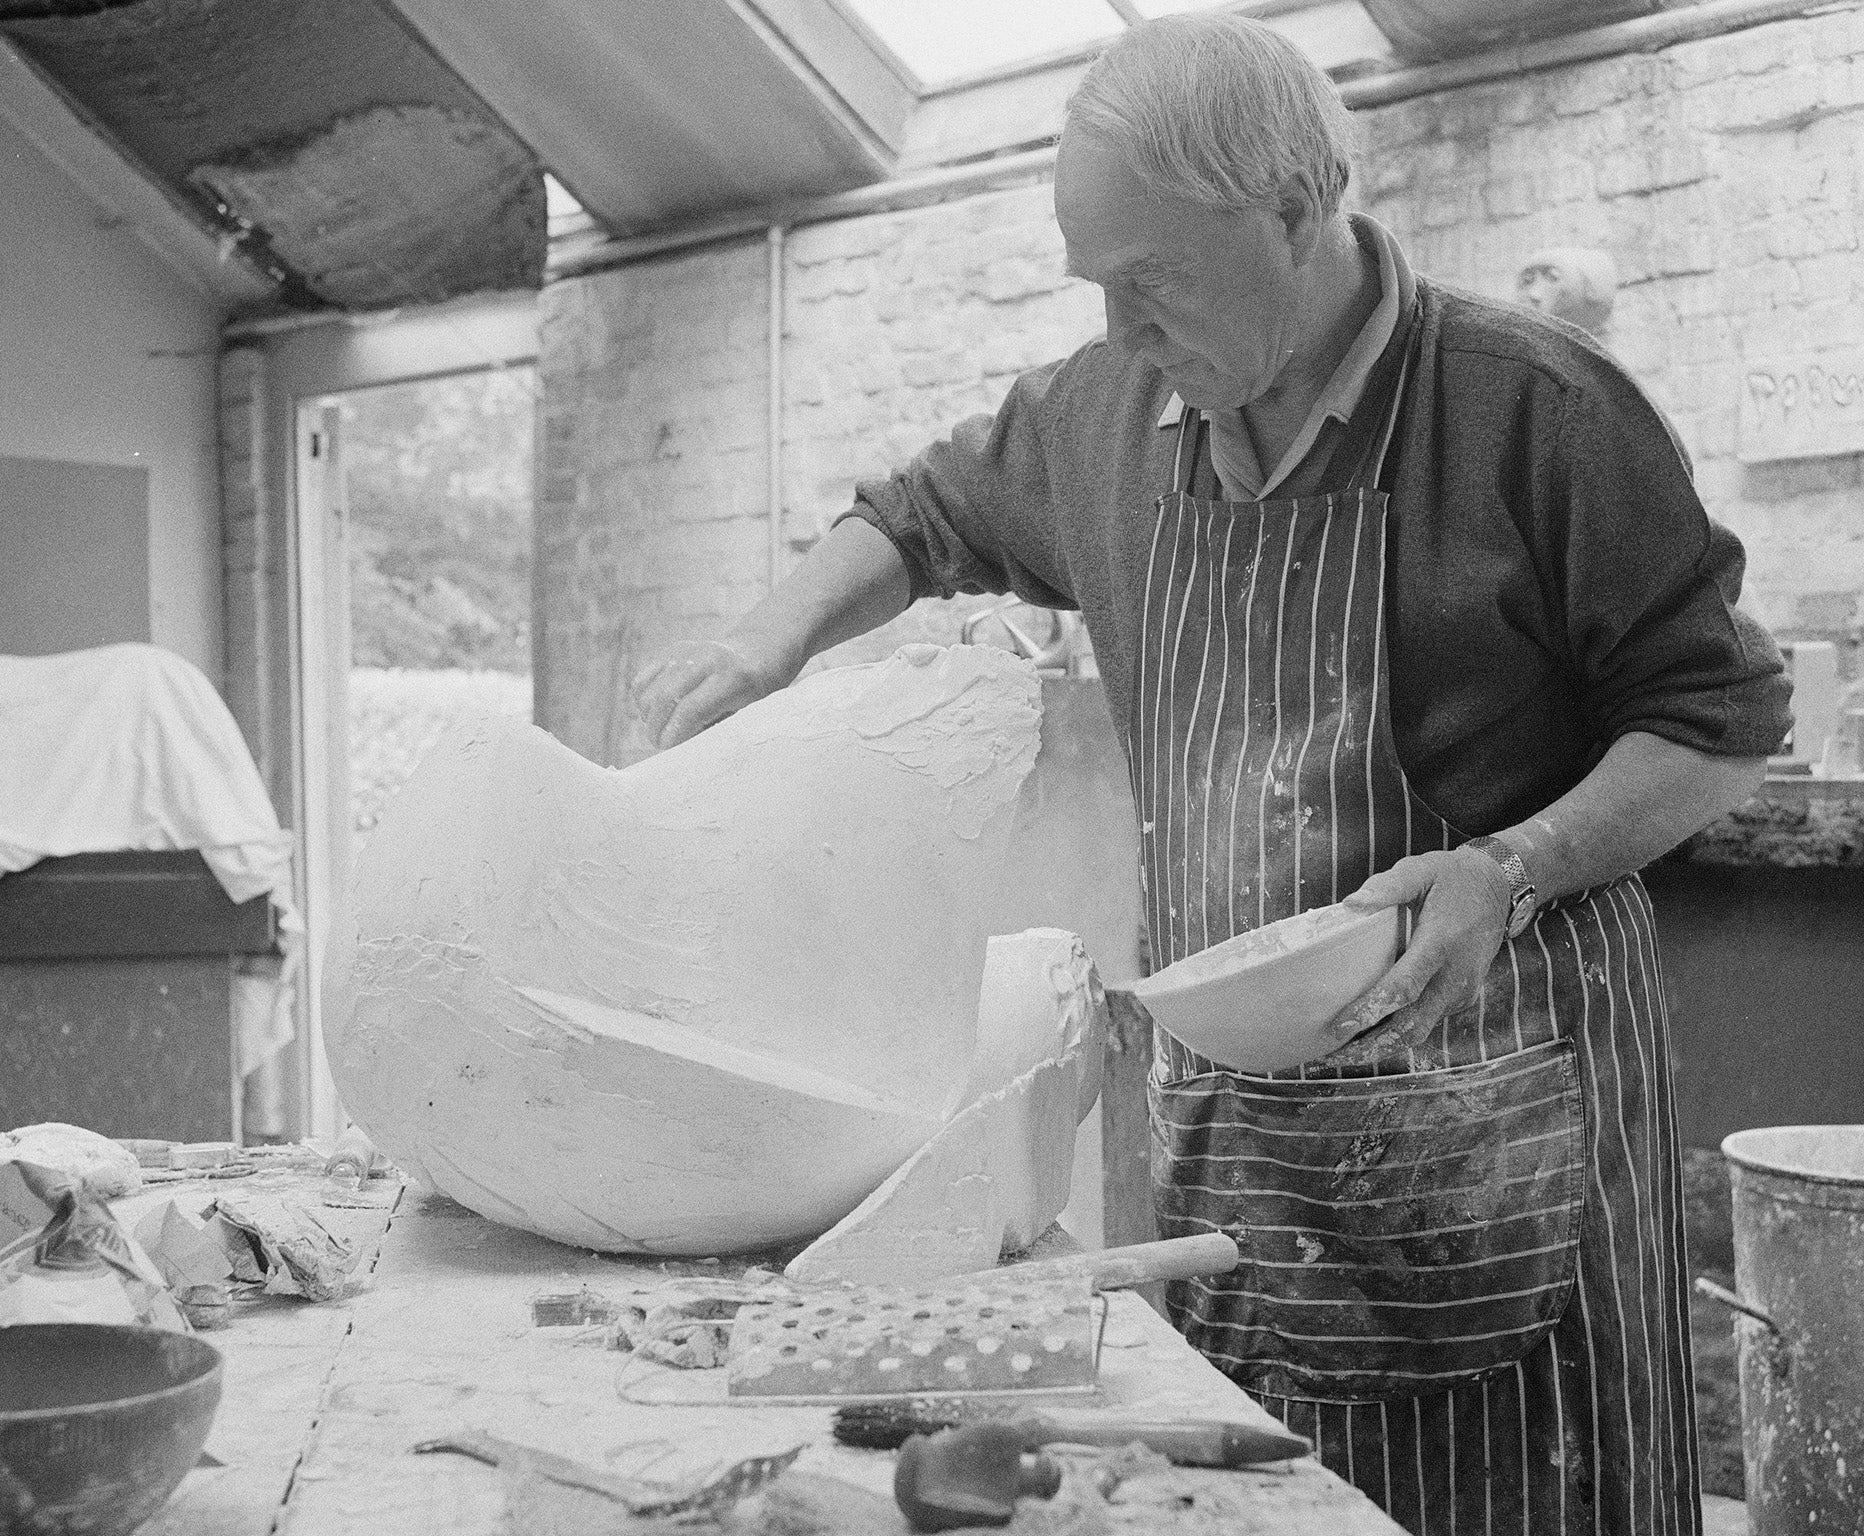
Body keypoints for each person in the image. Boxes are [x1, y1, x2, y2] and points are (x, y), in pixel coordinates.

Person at [634, 16, 1788, 1533]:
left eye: (1152, 277)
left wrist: (1513, 867)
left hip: (1501, 1124)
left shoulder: (1536, 414)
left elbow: (1716, 723)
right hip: (1242, 1145)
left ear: (1299, 214)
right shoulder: (1109, 416)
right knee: (1230, 1501)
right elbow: (921, 515)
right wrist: (759, 645)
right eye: (1094, 282)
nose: (1117, 326)